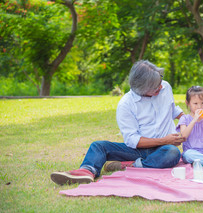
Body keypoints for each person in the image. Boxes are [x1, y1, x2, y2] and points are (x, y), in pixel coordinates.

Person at [51, 60, 185, 185]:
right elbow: (133, 140)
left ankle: (132, 165)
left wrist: (188, 119)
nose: (161, 87)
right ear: (142, 89)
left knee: (172, 153)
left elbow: (172, 109)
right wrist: (164, 140)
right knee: (98, 146)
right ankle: (87, 171)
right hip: (139, 149)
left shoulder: (165, 88)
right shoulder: (126, 104)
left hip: (164, 149)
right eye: (156, 87)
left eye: (160, 81)